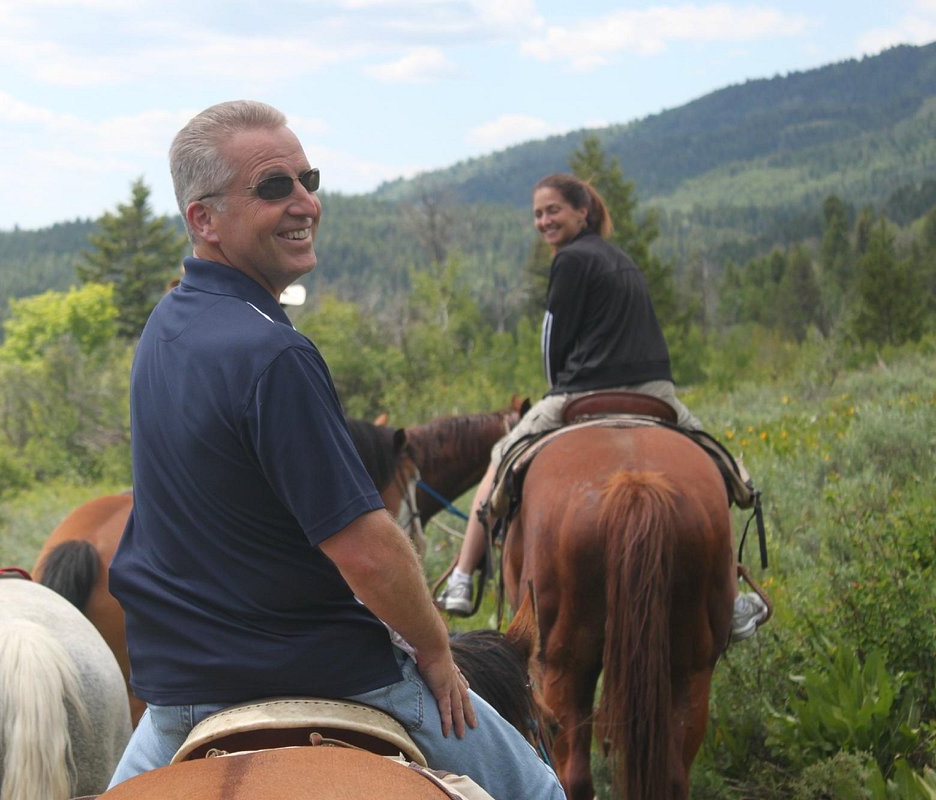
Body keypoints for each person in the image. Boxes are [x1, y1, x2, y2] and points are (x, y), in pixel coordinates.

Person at [106, 100, 564, 800]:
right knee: (539, 792)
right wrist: (439, 654)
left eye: (308, 179)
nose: (305, 202)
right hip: (327, 671)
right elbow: (366, 549)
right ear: (204, 220)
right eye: (273, 187)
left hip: (179, 700)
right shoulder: (273, 353)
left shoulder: (165, 327)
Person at [435, 173, 769, 642]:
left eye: (553, 211)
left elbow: (553, 339)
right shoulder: (622, 259)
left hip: (584, 389)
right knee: (721, 469)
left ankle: (463, 577)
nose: (544, 221)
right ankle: (730, 599)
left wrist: (556, 391)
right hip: (655, 390)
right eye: (537, 214)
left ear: (581, 212)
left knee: (501, 459)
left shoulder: (569, 260)